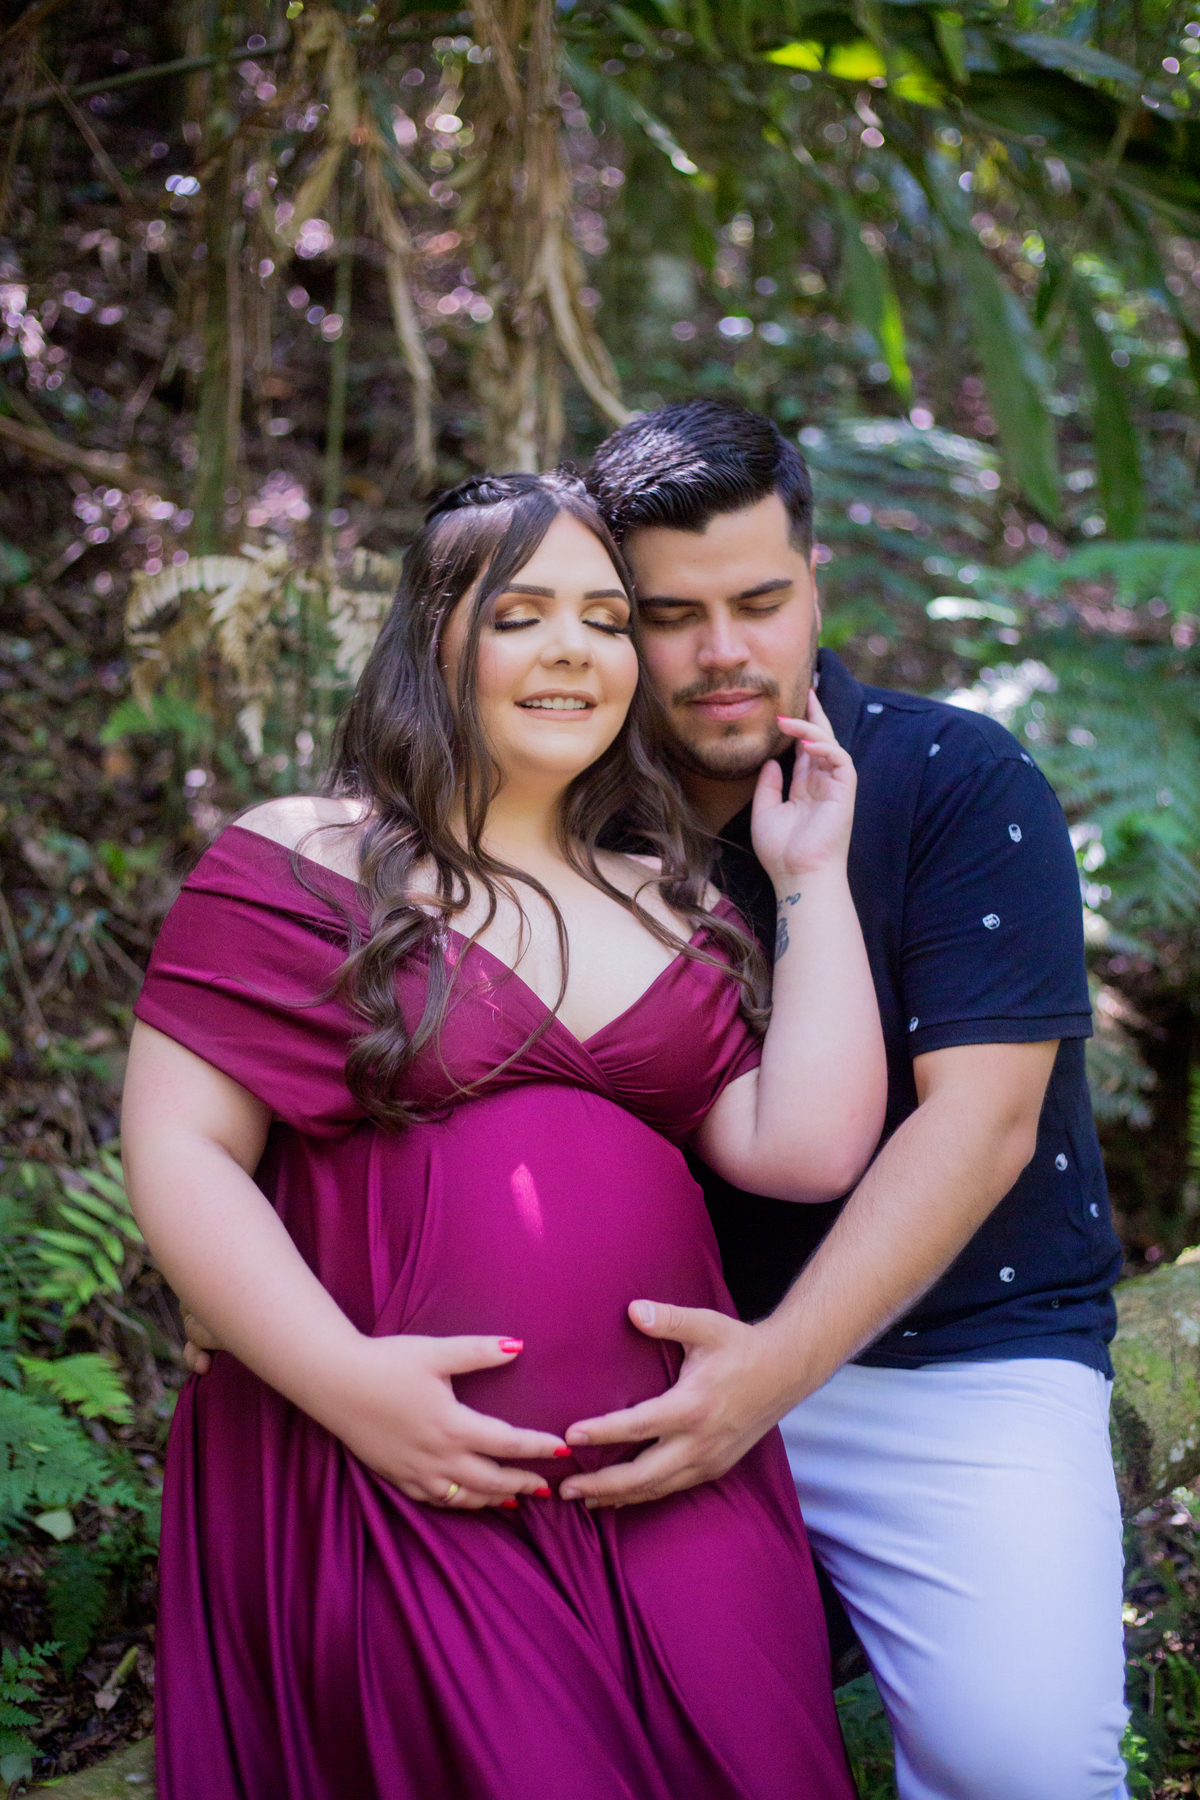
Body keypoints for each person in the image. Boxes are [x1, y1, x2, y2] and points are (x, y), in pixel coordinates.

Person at [123, 470, 886, 1800]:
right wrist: (344, 1385)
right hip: (398, 1476)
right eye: (523, 613)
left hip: (673, 1475)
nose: (573, 649)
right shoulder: (302, 858)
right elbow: (180, 1149)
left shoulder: (675, 899)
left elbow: (808, 1148)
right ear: (435, 639)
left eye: (603, 618)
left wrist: (815, 881)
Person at [551, 400, 1128, 1800]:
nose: (725, 652)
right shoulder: (558, 817)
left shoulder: (955, 780)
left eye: (759, 600)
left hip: (962, 1360)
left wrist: (774, 1372)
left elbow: (980, 1125)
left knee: (1024, 1768)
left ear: (817, 582)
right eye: (672, 615)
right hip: (659, 1365)